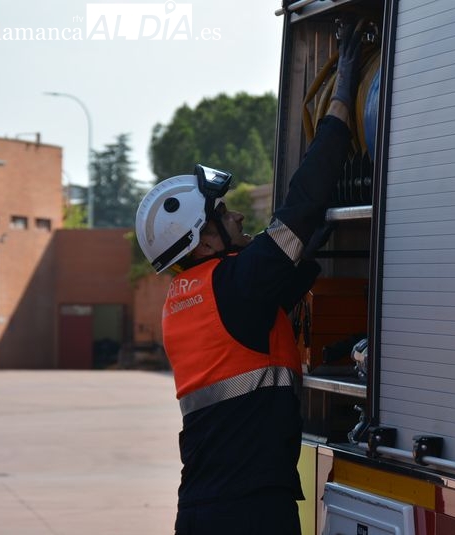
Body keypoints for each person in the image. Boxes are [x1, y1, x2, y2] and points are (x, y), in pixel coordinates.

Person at [133, 20, 364, 535]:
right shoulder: (236, 285)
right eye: (225, 214)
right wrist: (342, 105)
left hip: (203, 509)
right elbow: (302, 208)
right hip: (250, 512)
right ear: (205, 239)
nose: (237, 218)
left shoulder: (186, 301)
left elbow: (290, 261)